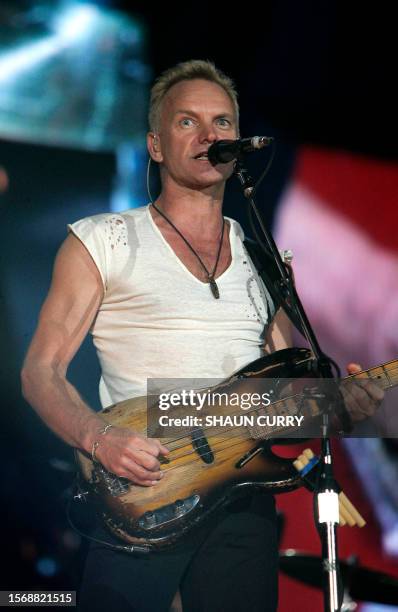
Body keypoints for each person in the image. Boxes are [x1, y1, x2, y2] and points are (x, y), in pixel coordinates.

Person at [21, 60, 384, 612]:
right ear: (156, 145)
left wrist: (345, 406)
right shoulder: (103, 240)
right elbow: (39, 373)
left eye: (221, 123)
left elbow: (280, 399)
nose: (209, 134)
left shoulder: (266, 260)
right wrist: (98, 439)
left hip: (243, 502)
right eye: (187, 121)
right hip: (144, 489)